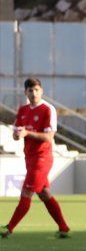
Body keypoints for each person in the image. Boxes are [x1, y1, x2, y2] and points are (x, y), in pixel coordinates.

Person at [0, 78, 70, 239]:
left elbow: (49, 137)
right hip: (29, 158)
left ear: (42, 91)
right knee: (44, 193)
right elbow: (17, 134)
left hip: (42, 158)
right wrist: (17, 134)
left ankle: (9, 228)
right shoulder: (23, 110)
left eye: (37, 90)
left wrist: (27, 133)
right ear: (26, 92)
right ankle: (64, 228)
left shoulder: (47, 109)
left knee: (26, 191)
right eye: (30, 90)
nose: (34, 93)